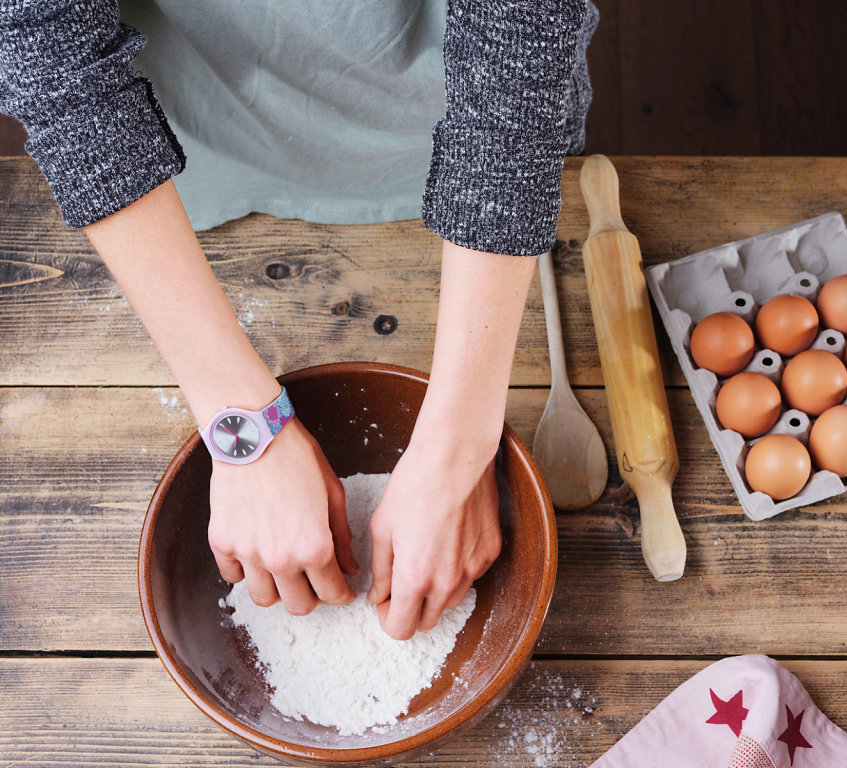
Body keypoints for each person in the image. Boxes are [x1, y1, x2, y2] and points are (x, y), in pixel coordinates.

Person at [0, 0, 598, 640]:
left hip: (450, 116)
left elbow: (521, 42)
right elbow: (49, 45)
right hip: (191, 134)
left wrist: (459, 449)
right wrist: (243, 431)